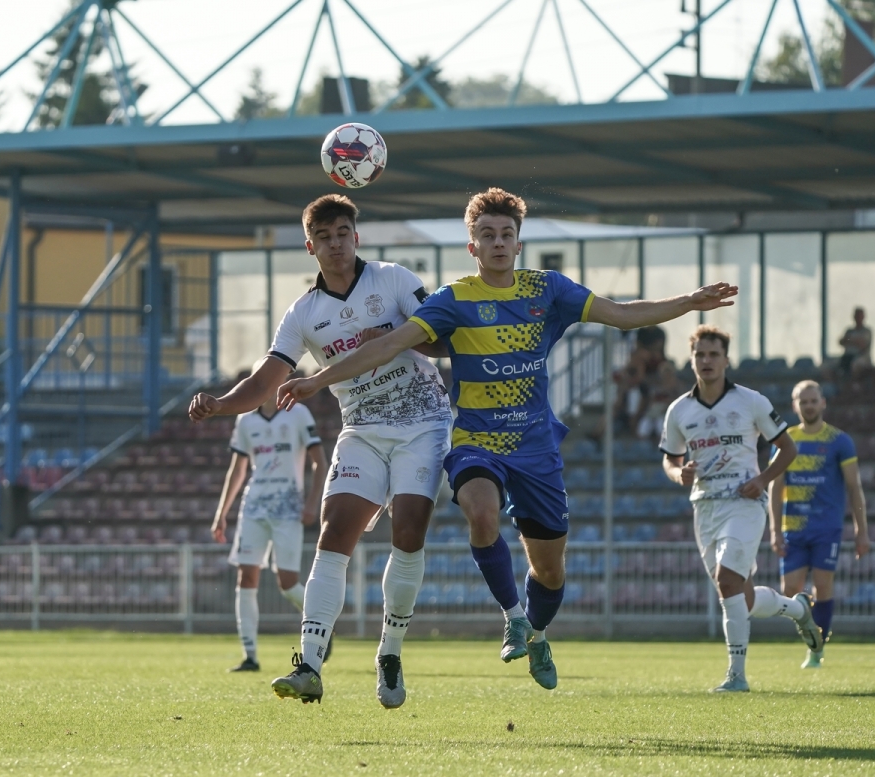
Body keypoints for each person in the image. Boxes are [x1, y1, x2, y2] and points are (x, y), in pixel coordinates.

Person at [279, 187, 741, 690]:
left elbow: (623, 314)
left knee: (550, 572)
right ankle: (513, 616)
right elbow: (390, 344)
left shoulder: (548, 290)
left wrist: (688, 303)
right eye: (487, 235)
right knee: (480, 512)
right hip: (477, 440)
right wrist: (317, 380)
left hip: (536, 447)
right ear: (472, 246)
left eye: (506, 235)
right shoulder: (454, 299)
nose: (498, 243)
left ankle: (537, 633)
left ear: (519, 244)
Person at [189, 193, 452, 708]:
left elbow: (444, 341)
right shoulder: (303, 312)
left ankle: (390, 650)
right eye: (324, 237)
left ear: (357, 236)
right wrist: (219, 405)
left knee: (407, 533)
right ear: (310, 247)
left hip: (424, 423)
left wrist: (397, 336)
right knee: (332, 538)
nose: (335, 244)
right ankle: (309, 664)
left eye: (342, 234)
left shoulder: (393, 279)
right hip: (362, 430)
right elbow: (264, 381)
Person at [660, 327, 822, 693]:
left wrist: (762, 479)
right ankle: (799, 609)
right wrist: (678, 473)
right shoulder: (679, 410)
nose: (706, 361)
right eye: (700, 355)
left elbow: (789, 448)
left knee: (726, 580)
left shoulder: (751, 401)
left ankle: (737, 676)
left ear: (726, 360)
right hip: (705, 508)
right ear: (691, 360)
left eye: (713, 354)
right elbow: (671, 459)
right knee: (741, 598)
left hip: (744, 504)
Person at [211, 396, 327, 673]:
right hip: (253, 509)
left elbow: (320, 462)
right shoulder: (245, 419)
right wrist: (221, 512)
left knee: (287, 583)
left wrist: (312, 504)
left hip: (288, 509)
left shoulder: (298, 413)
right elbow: (237, 469)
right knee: (246, 576)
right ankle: (249, 655)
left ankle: (322, 623)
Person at [768, 380, 869, 668]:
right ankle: (811, 627)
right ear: (795, 406)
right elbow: (775, 487)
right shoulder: (786, 440)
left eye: (813, 401)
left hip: (826, 528)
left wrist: (861, 530)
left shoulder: (839, 441)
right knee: (790, 590)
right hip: (793, 528)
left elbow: (854, 487)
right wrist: (774, 529)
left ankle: (816, 649)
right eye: (804, 401)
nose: (809, 406)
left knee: (823, 587)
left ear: (823, 403)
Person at [838, 307, 873, 380]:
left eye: (860, 316)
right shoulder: (849, 330)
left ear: (863, 317)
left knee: (855, 364)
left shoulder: (867, 331)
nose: (858, 318)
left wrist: (849, 340)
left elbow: (862, 344)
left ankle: (854, 383)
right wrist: (854, 340)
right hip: (848, 356)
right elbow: (841, 341)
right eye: (856, 316)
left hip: (862, 357)